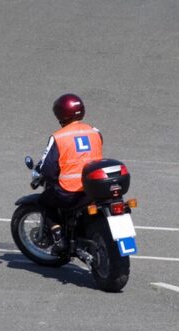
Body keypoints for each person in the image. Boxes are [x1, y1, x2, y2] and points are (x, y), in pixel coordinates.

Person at [36, 94, 103, 255]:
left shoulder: (58, 136)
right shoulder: (95, 132)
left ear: (60, 114)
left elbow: (47, 168)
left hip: (71, 192)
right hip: (94, 188)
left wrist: (40, 174)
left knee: (44, 201)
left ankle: (59, 239)